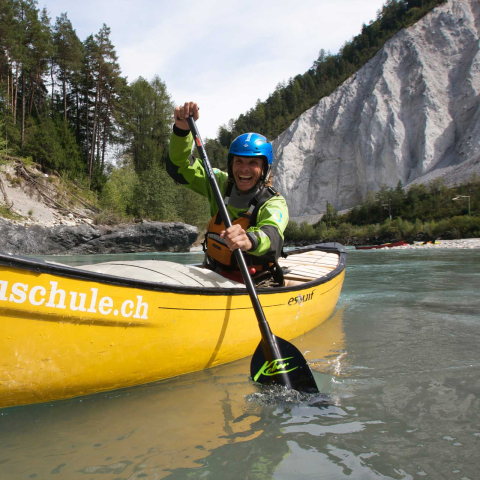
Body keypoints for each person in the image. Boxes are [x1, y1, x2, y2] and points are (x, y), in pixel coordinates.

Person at [167, 101, 289, 285]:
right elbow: (178, 166)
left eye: (253, 163)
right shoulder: (219, 183)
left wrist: (249, 239)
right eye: (239, 162)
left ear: (264, 169)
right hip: (213, 273)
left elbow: (272, 235)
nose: (244, 169)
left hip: (255, 280)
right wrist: (182, 130)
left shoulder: (273, 202)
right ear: (231, 165)